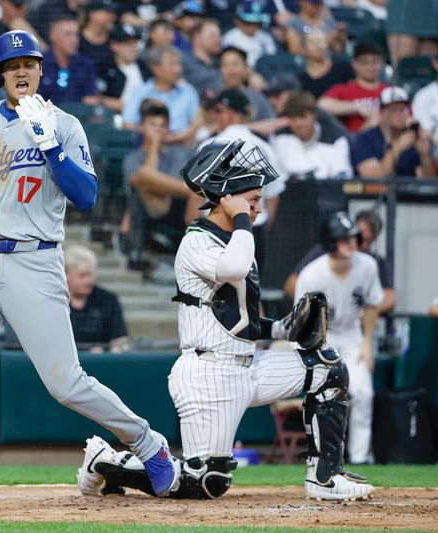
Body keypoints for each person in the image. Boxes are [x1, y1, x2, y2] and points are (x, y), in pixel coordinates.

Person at [0, 29, 178, 518]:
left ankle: (147, 442)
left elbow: (85, 196)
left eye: (30, 63)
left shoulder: (64, 124)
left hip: (35, 260)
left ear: (42, 70)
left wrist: (51, 148)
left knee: (66, 383)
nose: (22, 71)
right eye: (12, 65)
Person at [76, 138, 375, 501]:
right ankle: (106, 461)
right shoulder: (198, 240)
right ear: (226, 200)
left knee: (330, 369)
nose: (258, 210)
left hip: (248, 367)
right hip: (208, 374)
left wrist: (282, 328)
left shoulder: (237, 239)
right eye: (252, 201)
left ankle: (324, 479)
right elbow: (233, 267)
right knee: (206, 482)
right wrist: (240, 216)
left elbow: (238, 321)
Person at [296, 212, 383, 464]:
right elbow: (301, 319)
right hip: (322, 338)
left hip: (352, 335)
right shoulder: (312, 274)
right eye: (344, 239)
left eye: (353, 238)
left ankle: (360, 457)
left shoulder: (367, 265)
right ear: (331, 243)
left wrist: (367, 343)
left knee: (363, 392)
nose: (351, 243)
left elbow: (374, 303)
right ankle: (325, 456)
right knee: (326, 397)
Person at [203, 88, 287, 267]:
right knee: (248, 292)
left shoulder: (209, 145)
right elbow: (273, 198)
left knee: (211, 292)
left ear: (231, 115)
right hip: (252, 228)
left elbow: (196, 197)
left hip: (214, 230)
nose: (214, 117)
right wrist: (263, 231)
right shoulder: (264, 147)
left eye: (218, 111)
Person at [121, 100, 196, 271]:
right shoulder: (132, 158)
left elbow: (171, 185)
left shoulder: (178, 153)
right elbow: (146, 181)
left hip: (175, 209)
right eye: (152, 124)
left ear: (168, 129)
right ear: (142, 127)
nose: (158, 129)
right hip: (146, 209)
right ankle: (194, 192)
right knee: (142, 176)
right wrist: (154, 145)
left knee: (145, 177)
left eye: (162, 126)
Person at [282, 210, 396, 315]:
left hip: (354, 327)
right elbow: (291, 285)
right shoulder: (324, 253)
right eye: (350, 238)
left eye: (365, 240)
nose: (354, 245)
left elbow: (389, 298)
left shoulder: (371, 263)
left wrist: (360, 311)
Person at [350, 86, 436, 179]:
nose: (400, 114)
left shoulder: (412, 138)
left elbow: (428, 184)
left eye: (403, 110)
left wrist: (424, 156)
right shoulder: (366, 139)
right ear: (381, 113)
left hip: (408, 192)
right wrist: (397, 148)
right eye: (394, 110)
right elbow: (372, 177)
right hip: (379, 193)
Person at [122, 45, 199, 143]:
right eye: (172, 64)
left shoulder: (188, 91)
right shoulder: (141, 92)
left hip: (181, 145)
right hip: (147, 145)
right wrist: (156, 135)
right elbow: (128, 124)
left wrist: (176, 138)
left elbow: (197, 122)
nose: (178, 69)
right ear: (156, 68)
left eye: (179, 64)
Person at [271, 91, 352, 180]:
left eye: (302, 117)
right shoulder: (279, 138)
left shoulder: (335, 139)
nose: (298, 123)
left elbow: (342, 176)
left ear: (314, 115)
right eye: (293, 118)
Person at [65, 244, 130, 353]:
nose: (88, 281)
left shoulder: (108, 300)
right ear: (66, 275)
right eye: (82, 276)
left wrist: (113, 349)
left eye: (90, 275)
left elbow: (121, 341)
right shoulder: (55, 302)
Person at [317, 42, 388, 135]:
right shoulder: (343, 90)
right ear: (355, 64)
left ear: (381, 63)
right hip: (354, 142)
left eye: (375, 61)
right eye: (365, 62)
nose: (370, 66)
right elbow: (321, 105)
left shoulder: (390, 91)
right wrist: (356, 107)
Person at [38, 16, 100, 105]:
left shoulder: (85, 64)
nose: (74, 40)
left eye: (76, 35)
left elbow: (92, 99)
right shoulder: (40, 64)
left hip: (79, 117)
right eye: (68, 35)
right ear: (52, 36)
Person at [97, 24, 149, 113]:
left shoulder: (144, 66)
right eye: (128, 44)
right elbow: (97, 97)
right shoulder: (105, 68)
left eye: (135, 43)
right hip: (115, 117)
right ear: (114, 46)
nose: (134, 48)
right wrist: (128, 107)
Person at [297, 29, 355, 100]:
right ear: (304, 49)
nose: (319, 46)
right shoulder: (301, 78)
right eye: (313, 43)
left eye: (321, 41)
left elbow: (354, 91)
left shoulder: (342, 66)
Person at [222, 0, 276, 69]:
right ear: (237, 21)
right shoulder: (230, 38)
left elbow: (272, 61)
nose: (253, 26)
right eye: (249, 22)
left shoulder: (266, 37)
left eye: (257, 23)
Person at [180, 18, 221, 95]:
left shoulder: (222, 63)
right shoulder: (182, 62)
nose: (218, 39)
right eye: (213, 36)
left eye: (219, 35)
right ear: (197, 38)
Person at [78, 0, 117, 72]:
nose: (113, 17)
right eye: (108, 13)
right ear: (93, 15)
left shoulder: (115, 37)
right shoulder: (76, 40)